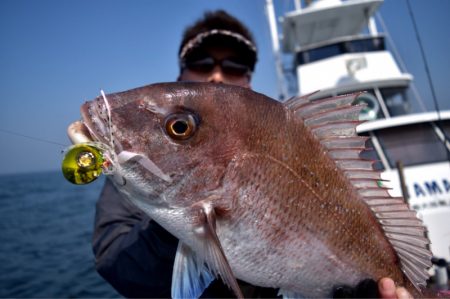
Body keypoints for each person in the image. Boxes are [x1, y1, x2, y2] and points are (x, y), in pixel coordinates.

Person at [92, 10, 413, 299]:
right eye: (201, 63)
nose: (216, 74)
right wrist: (177, 230)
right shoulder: (132, 169)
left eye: (234, 66)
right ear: (180, 74)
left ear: (248, 80)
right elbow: (114, 261)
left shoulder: (299, 143)